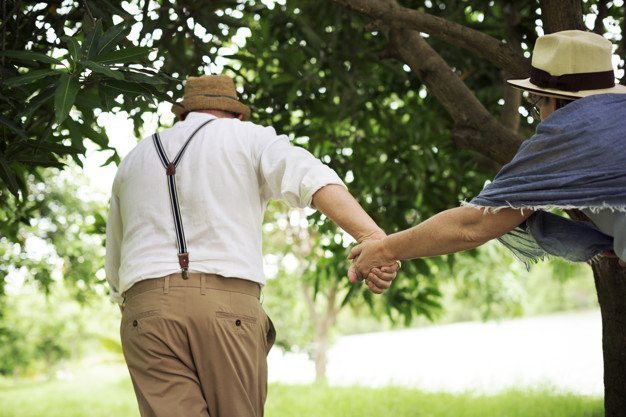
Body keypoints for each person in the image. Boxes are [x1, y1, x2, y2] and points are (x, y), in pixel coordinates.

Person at [105, 74, 398, 417]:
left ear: (182, 114)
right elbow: (312, 178)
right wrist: (374, 238)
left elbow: (116, 259)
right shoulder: (248, 137)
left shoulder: (134, 158)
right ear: (237, 113)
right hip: (226, 305)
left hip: (145, 310)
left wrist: (143, 305)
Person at [349, 30, 626, 283]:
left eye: (535, 102)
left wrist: (384, 249)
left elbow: (472, 224)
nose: (539, 114)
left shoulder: (566, 134)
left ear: (551, 99)